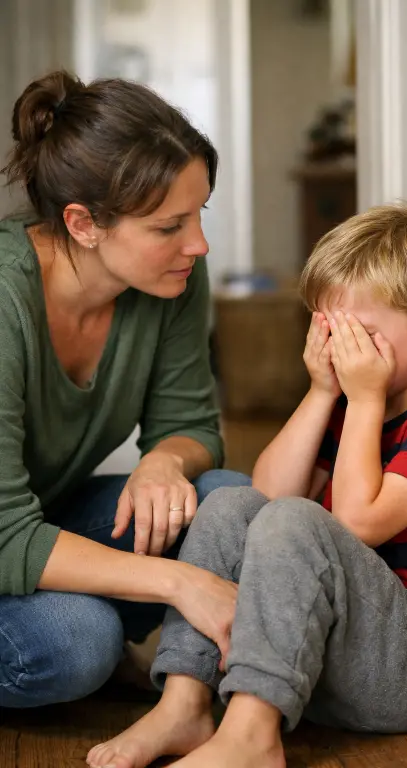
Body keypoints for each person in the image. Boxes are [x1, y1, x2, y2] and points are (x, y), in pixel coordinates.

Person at [87, 202, 407, 768]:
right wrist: (322, 393)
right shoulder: (355, 406)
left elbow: (357, 521)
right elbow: (267, 493)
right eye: (331, 331)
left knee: (299, 520)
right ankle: (185, 703)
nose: (342, 352)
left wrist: (362, 398)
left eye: (362, 335)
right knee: (232, 502)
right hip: (325, 656)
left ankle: (252, 738)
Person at [0, 70, 251, 710]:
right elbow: (4, 535)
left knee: (225, 501)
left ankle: (177, 699)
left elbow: (193, 424)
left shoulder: (169, 279)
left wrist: (164, 462)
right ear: (83, 223)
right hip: (8, 536)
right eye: (169, 227)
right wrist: (179, 583)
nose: (197, 244)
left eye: (199, 214)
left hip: (40, 521)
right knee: (77, 642)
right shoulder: (6, 303)